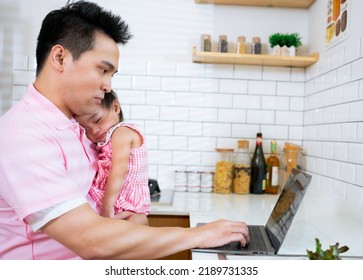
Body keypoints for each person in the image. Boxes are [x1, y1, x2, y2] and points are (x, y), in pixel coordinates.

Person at [0, 0, 249, 260]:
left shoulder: (77, 127)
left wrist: (134, 220)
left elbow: (98, 212)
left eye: (112, 75)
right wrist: (200, 235)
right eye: (103, 69)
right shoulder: (24, 135)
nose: (108, 85)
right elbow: (89, 239)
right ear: (60, 58)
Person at [75, 90, 150, 223]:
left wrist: (107, 206)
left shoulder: (122, 132)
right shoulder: (106, 140)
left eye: (97, 120)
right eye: (86, 129)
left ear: (115, 108)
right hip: (120, 204)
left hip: (125, 202)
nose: (94, 130)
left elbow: (119, 169)